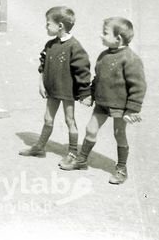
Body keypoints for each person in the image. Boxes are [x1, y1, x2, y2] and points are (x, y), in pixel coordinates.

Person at [61, 17, 146, 185]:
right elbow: (98, 78)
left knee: (119, 134)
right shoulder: (104, 55)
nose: (101, 35)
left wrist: (132, 110)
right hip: (102, 103)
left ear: (118, 38)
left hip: (121, 107)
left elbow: (138, 87)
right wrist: (90, 94)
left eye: (105, 33)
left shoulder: (131, 59)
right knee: (90, 129)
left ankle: (121, 169)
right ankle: (82, 160)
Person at [19, 7, 91, 168]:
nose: (46, 27)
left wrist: (85, 93)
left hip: (67, 91)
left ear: (60, 26)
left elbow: (83, 70)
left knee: (69, 120)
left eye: (48, 24)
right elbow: (43, 65)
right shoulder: (50, 44)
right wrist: (41, 83)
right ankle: (39, 147)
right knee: (48, 119)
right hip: (52, 90)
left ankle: (72, 152)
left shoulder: (74, 46)